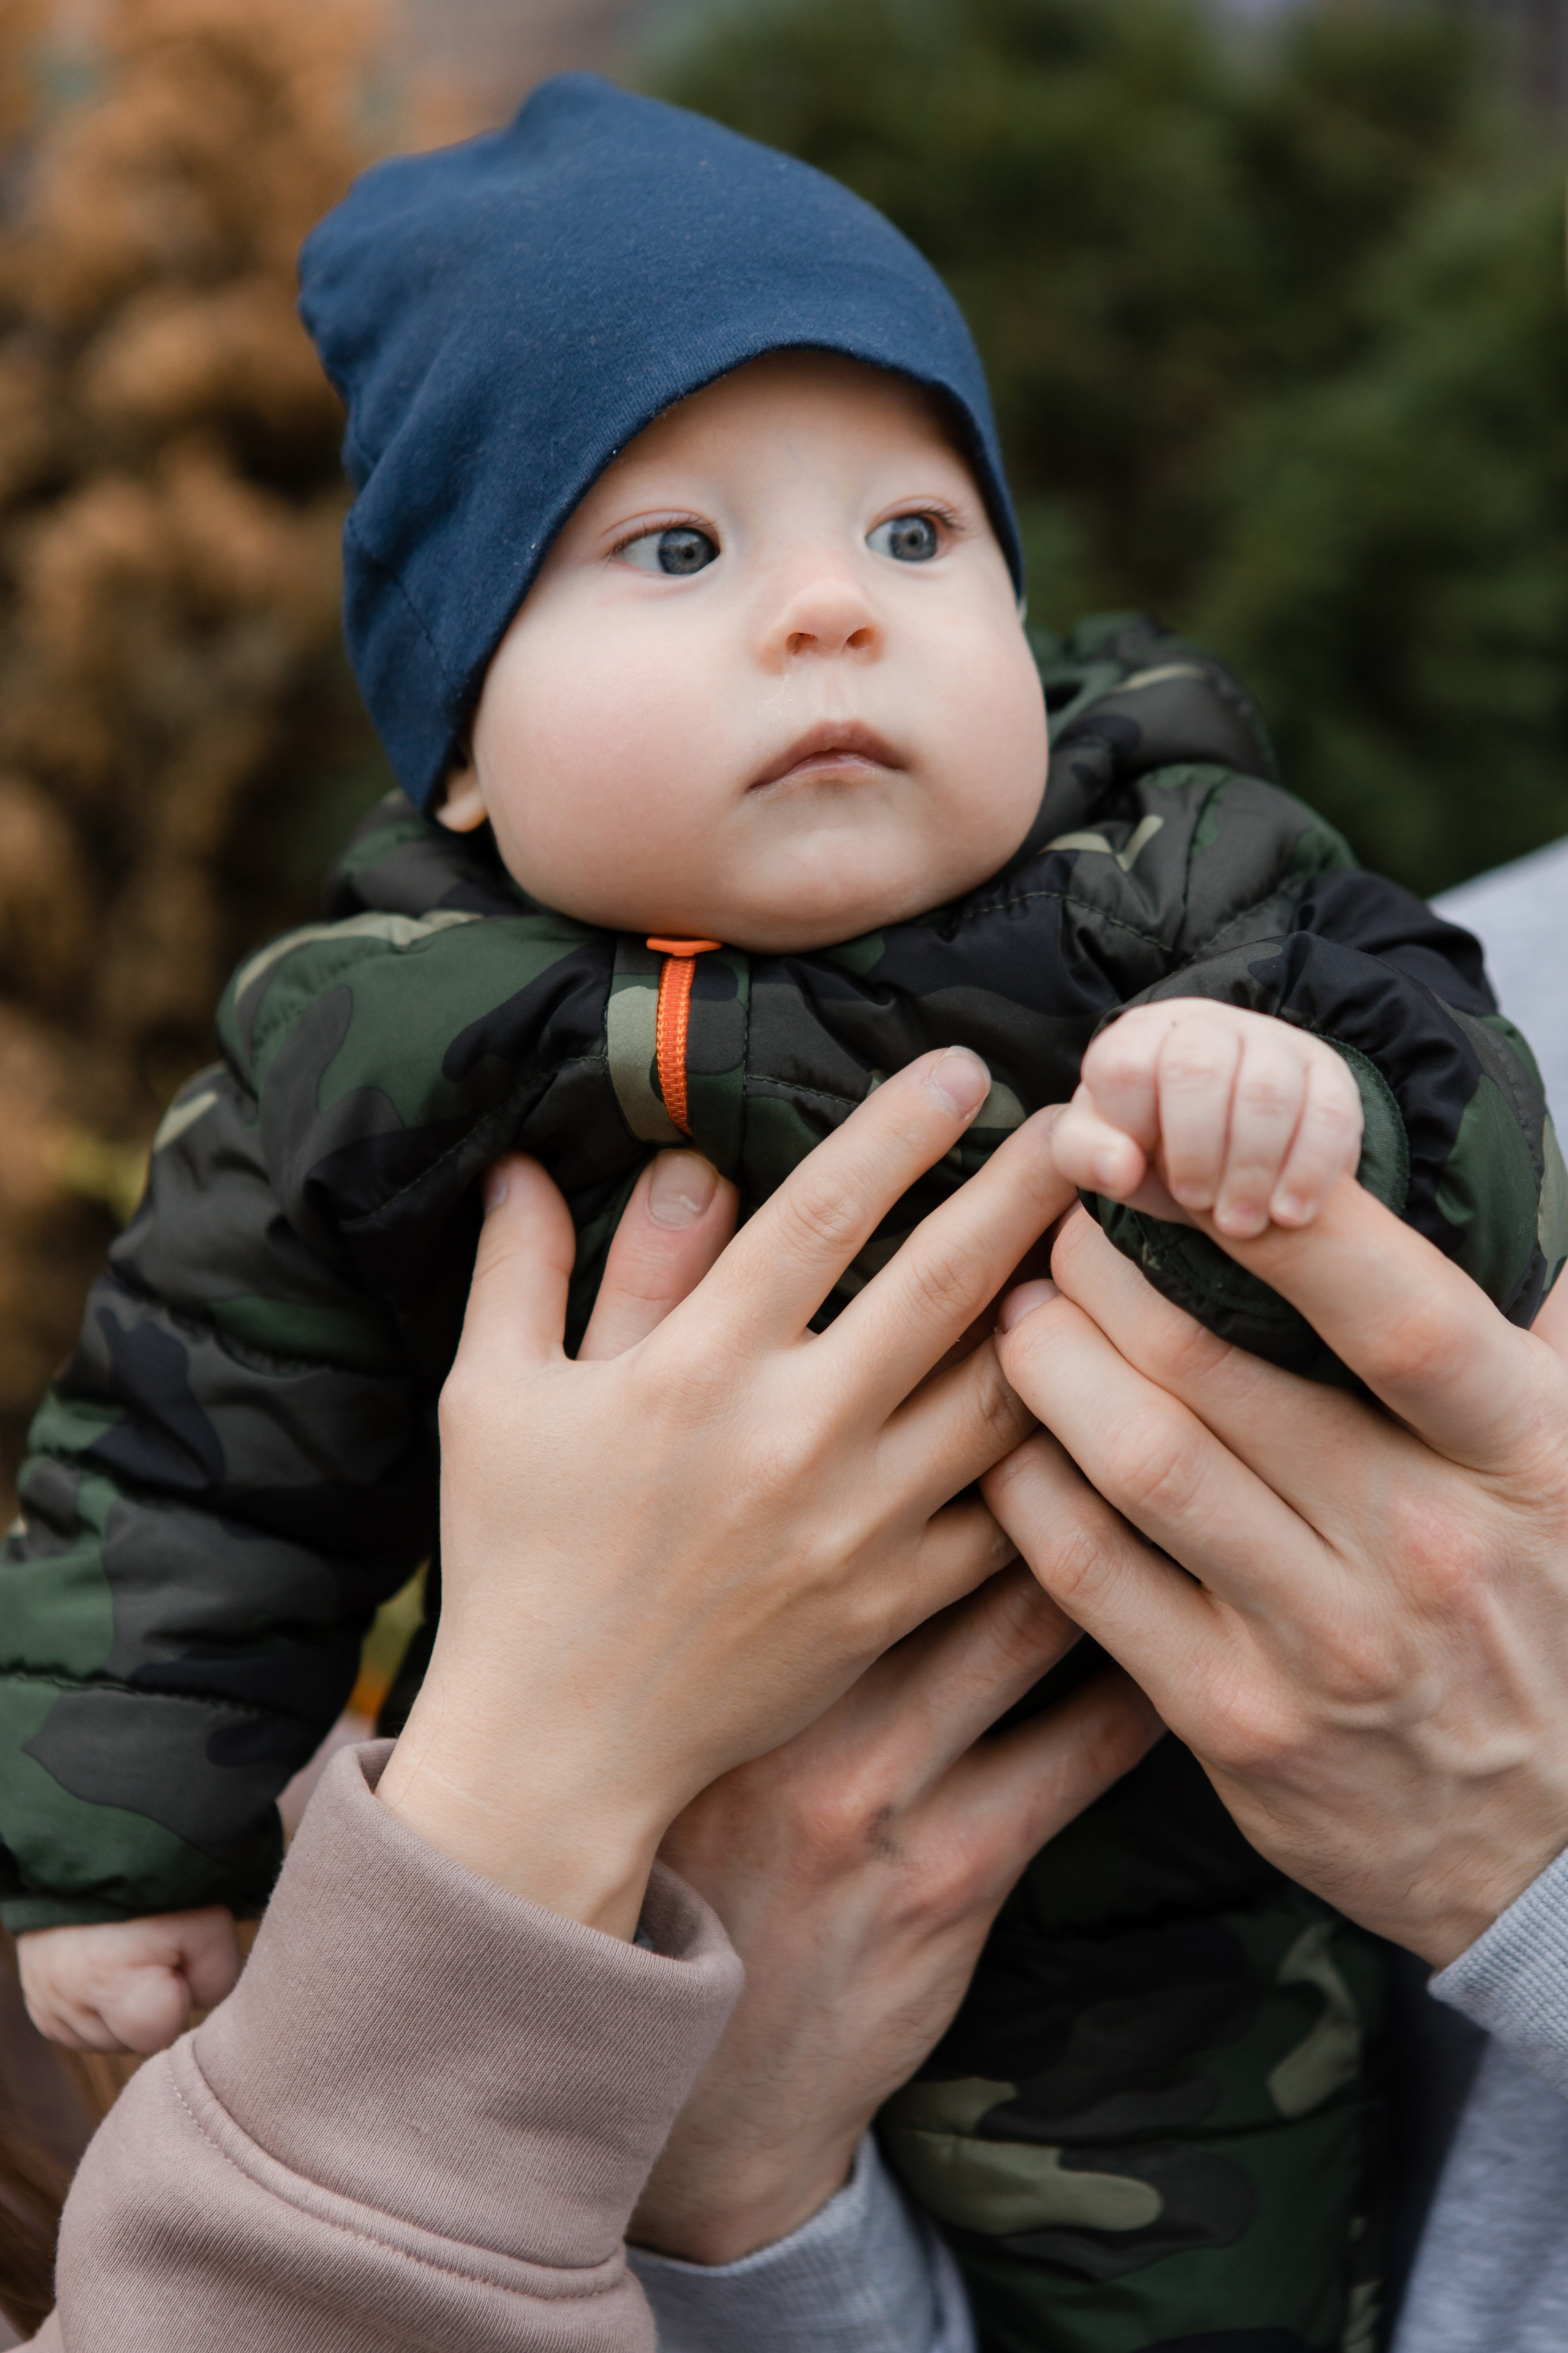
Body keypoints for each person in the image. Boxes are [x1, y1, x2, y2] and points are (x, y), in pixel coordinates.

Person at [2, 70, 1560, 2351]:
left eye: (916, 535)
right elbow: (189, 1454)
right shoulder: (371, 1049)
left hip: (1175, 1877)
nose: (833, 609)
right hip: (651, 1925)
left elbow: (1478, 1134)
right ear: (464, 748)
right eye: (677, 551)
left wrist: (1295, 1102)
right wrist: (116, 1840)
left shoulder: (1187, 887)